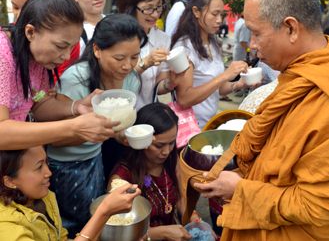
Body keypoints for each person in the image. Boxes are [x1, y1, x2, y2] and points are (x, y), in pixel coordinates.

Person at [193, 0, 329, 240]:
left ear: (291, 28)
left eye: (256, 32)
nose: (251, 44)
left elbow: (320, 206)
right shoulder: (307, 71)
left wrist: (241, 190)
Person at [45, 13, 145, 237]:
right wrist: (90, 133)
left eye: (135, 57)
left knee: (95, 218)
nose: (127, 65)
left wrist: (121, 136)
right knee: (71, 225)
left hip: (95, 158)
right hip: (65, 165)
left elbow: (116, 127)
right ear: (98, 50)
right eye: (119, 58)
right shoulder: (76, 79)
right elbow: (53, 137)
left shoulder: (131, 80)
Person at [0, 0, 116, 150]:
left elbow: (39, 103)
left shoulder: (36, 58)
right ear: (30, 32)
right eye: (60, 46)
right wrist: (73, 127)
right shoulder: (2, 54)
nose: (66, 56)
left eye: (71, 47)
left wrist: (76, 106)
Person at [0, 146, 141, 241]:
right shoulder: (8, 228)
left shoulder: (45, 197)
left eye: (46, 163)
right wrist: (104, 211)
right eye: (38, 167)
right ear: (10, 181)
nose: (48, 172)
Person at [109, 103, 191, 241]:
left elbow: (181, 198)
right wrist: (162, 233)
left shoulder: (172, 159)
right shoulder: (121, 179)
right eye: (159, 145)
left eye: (171, 143)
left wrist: (193, 218)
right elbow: (121, 234)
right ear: (141, 140)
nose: (166, 151)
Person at [171, 0, 249, 129]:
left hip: (209, 124)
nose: (219, 20)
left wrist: (239, 84)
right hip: (191, 127)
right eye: (214, 14)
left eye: (222, 15)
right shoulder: (185, 47)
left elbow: (218, 89)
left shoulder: (212, 42)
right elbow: (184, 98)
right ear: (196, 12)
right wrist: (225, 75)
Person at [118, 0, 173, 110]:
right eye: (148, 8)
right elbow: (115, 83)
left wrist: (171, 82)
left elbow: (157, 88)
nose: (155, 14)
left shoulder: (163, 39)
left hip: (145, 118)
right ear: (130, 6)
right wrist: (145, 63)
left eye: (159, 7)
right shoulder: (116, 35)